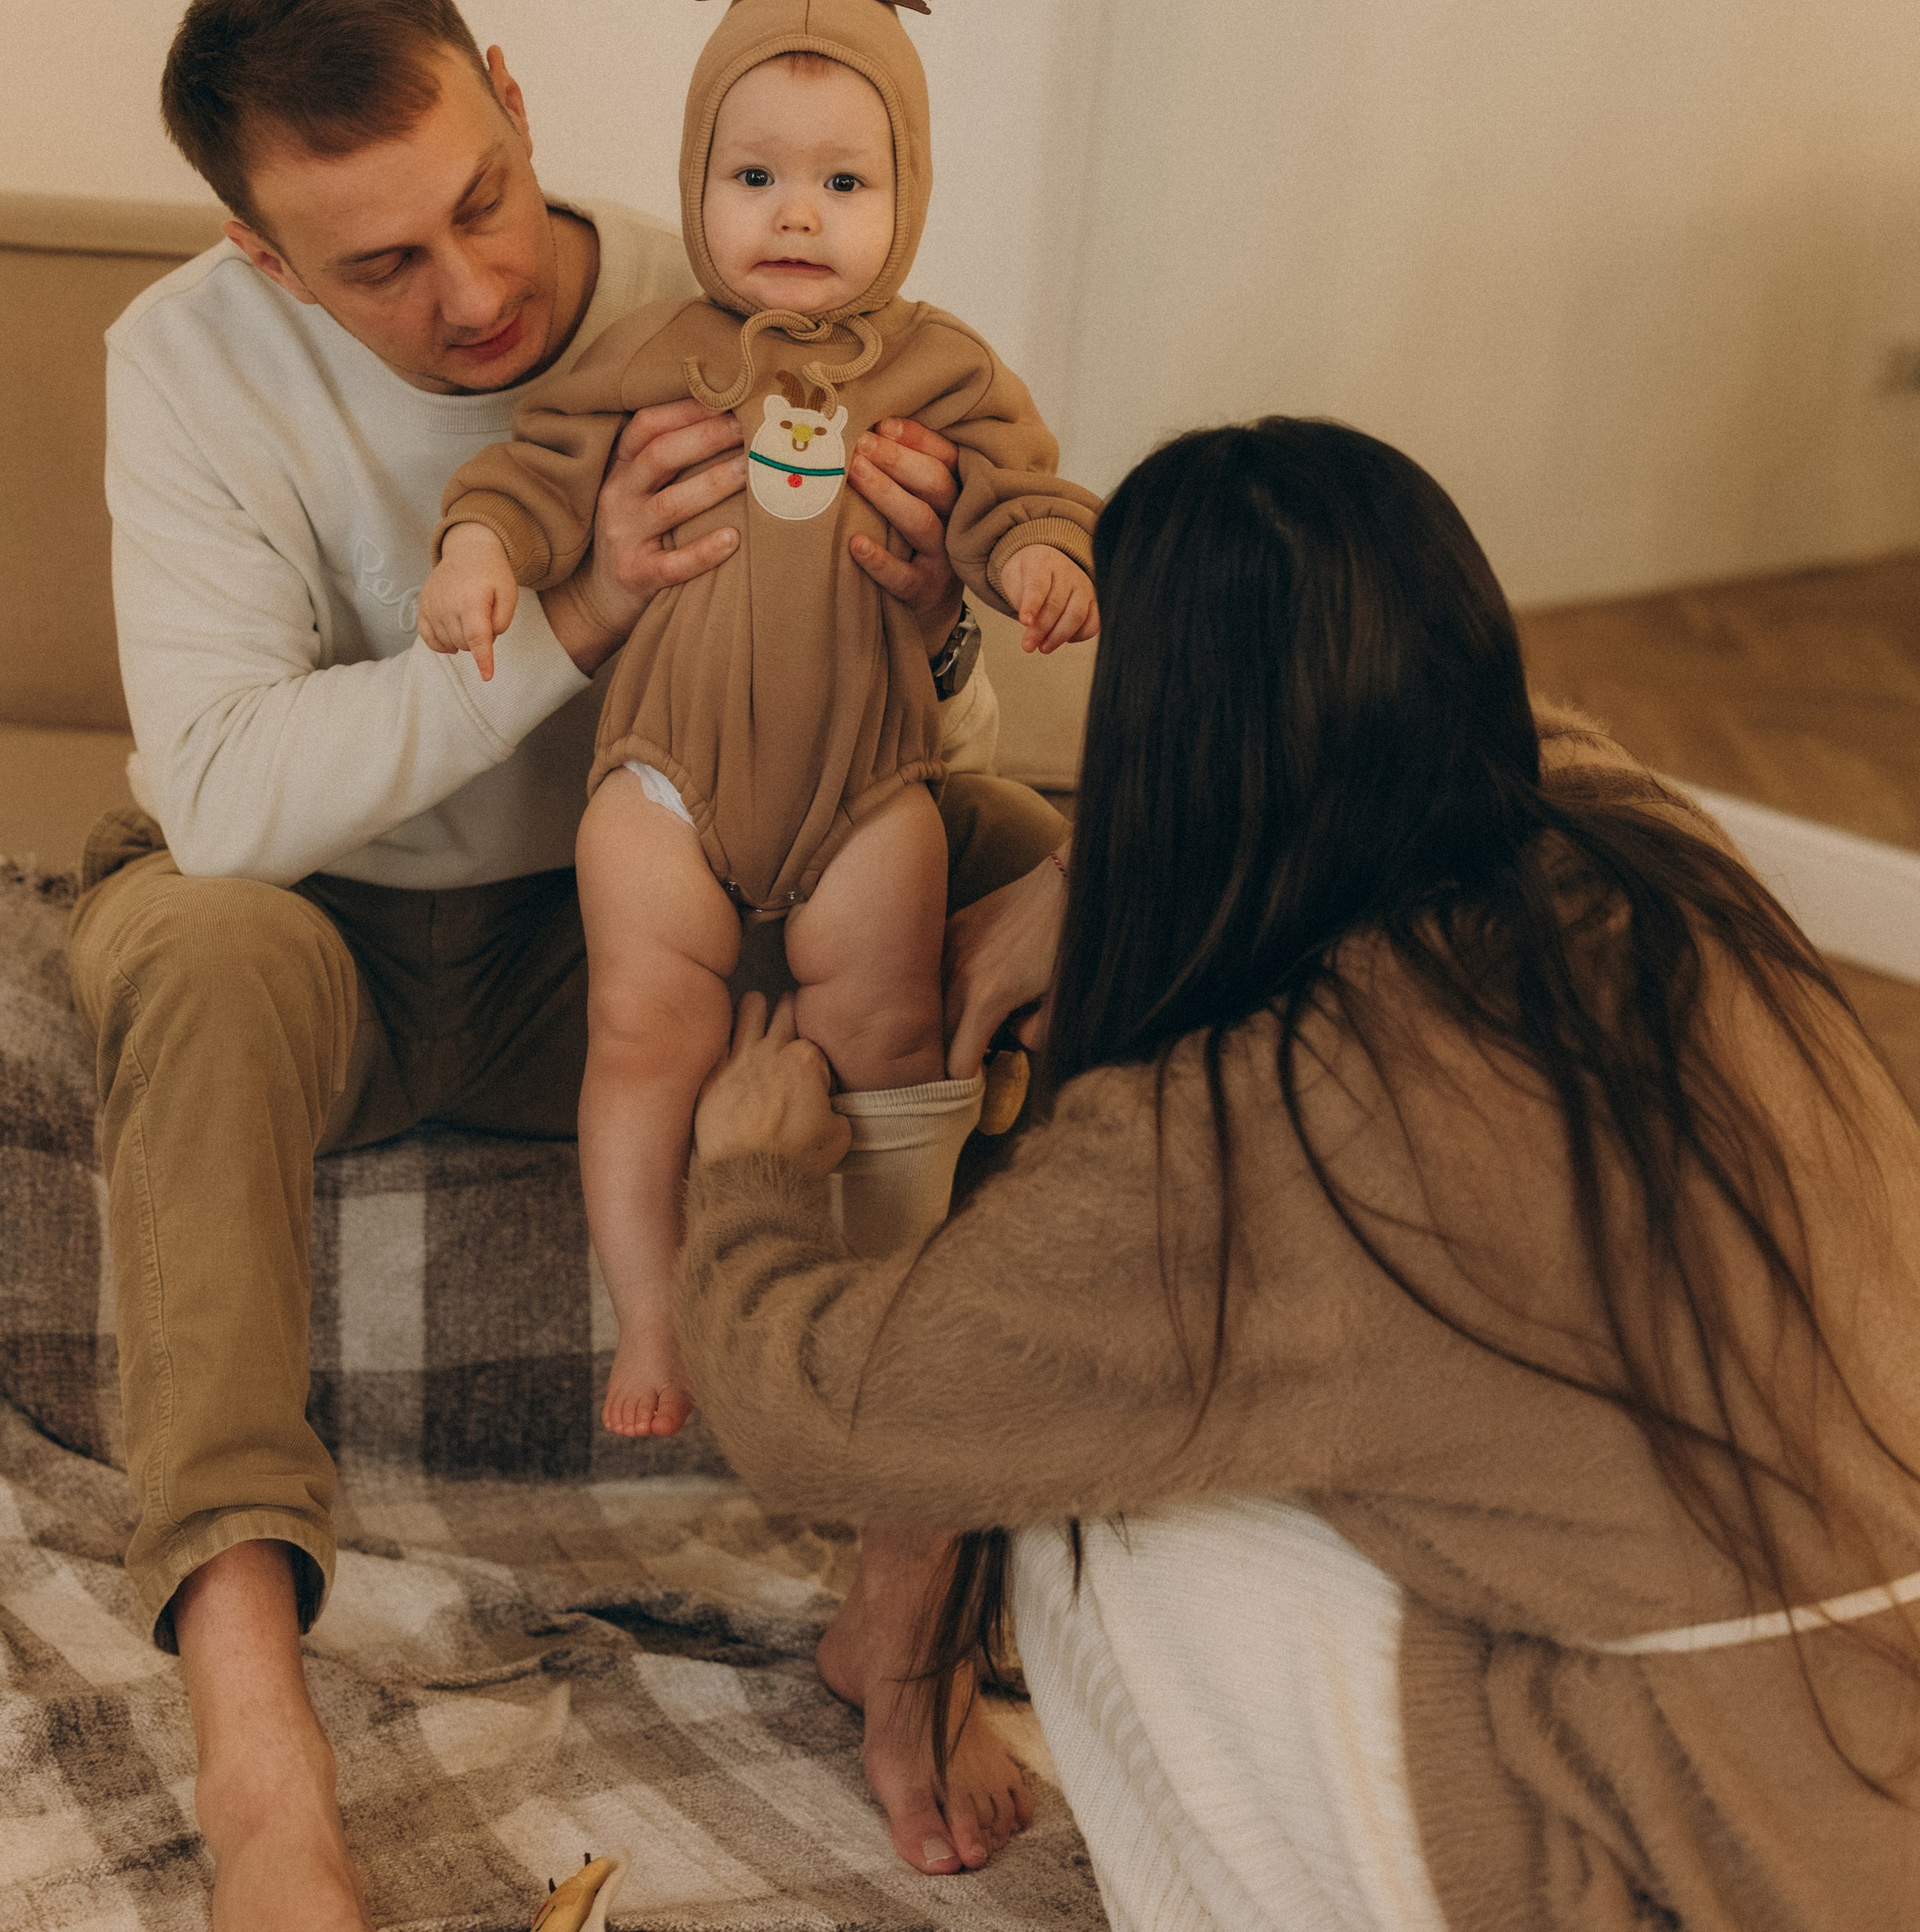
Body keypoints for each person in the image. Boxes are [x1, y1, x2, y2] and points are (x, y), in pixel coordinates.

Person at [65, 0, 1060, 1930]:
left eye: (486, 199)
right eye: (381, 267)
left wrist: (929, 615)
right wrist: (582, 612)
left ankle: (906, 1608)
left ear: (512, 99)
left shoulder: (734, 288)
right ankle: (262, 1760)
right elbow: (228, 800)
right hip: (323, 940)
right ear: (266, 257)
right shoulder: (183, 360)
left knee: (1040, 862)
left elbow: (909, 755)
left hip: (612, 928)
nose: (476, 292)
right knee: (194, 945)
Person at [680, 417, 1920, 1930]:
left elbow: (833, 1414)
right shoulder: (1652, 857)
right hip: (1874, 1757)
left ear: (1159, 750)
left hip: (1715, 1857)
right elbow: (1526, 729)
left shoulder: (1255, 1131)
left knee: (1095, 1512)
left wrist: (747, 1185)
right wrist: (1072, 879)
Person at [418, 0, 1099, 1437]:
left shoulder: (945, 371)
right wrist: (477, 554)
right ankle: (654, 1322)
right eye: (755, 176)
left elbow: (1020, 489)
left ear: (906, 199)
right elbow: (531, 473)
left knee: (887, 1032)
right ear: (698, 183)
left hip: (868, 788)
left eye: (845, 184)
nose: (797, 211)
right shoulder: (652, 353)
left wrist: (1038, 560)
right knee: (642, 1030)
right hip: (664, 784)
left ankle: (866, 1318)